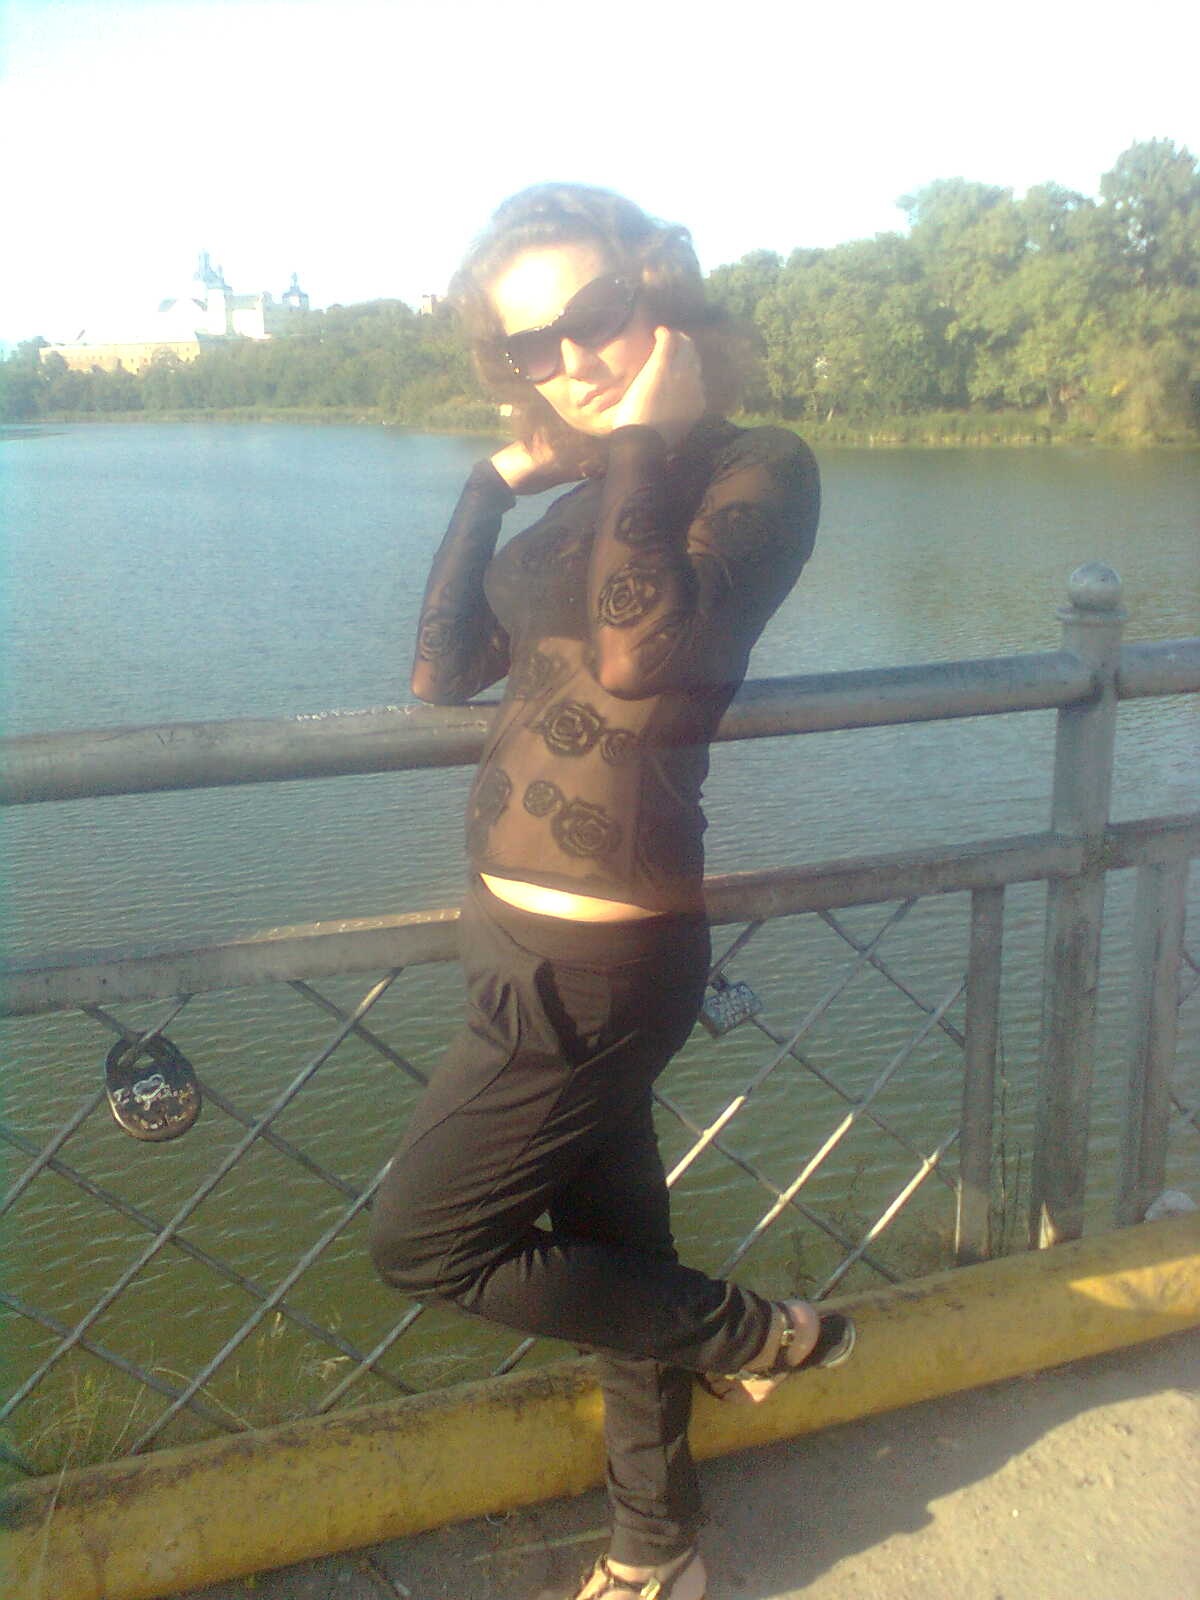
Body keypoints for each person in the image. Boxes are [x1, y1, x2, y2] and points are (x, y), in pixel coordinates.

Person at [369, 183, 853, 1600]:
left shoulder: (760, 468)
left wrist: (640, 433)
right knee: (615, 1255)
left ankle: (757, 1334)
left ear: (663, 294)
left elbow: (644, 655)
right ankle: (658, 1551)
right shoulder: (590, 493)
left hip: (602, 968)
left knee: (426, 1245)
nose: (569, 359)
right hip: (508, 935)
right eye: (531, 345)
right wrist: (489, 486)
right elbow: (442, 671)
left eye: (595, 316)